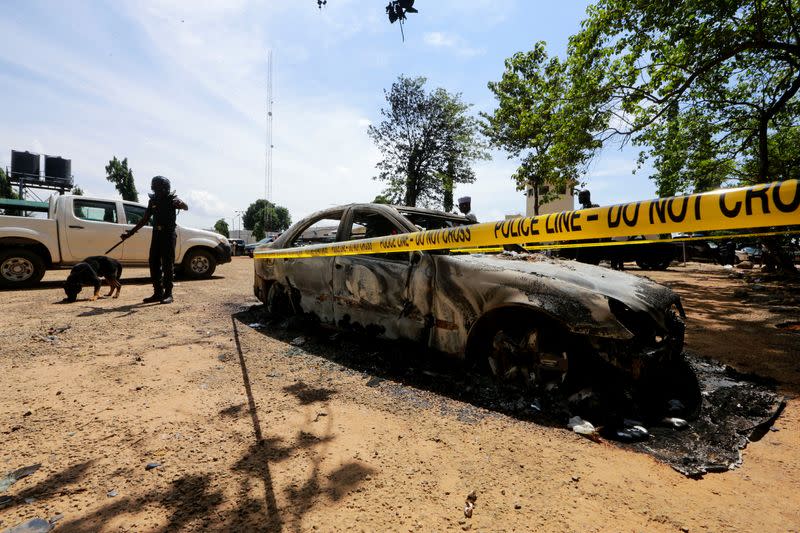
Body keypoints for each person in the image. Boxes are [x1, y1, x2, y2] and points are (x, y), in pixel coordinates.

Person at [120, 176, 188, 304]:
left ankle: (169, 294)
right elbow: (145, 218)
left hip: (168, 235)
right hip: (156, 234)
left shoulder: (172, 199)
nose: (156, 190)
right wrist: (131, 232)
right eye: (155, 188)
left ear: (164, 188)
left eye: (158, 188)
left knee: (168, 265)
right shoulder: (153, 200)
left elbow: (186, 207)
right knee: (154, 263)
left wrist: (181, 204)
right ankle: (157, 293)